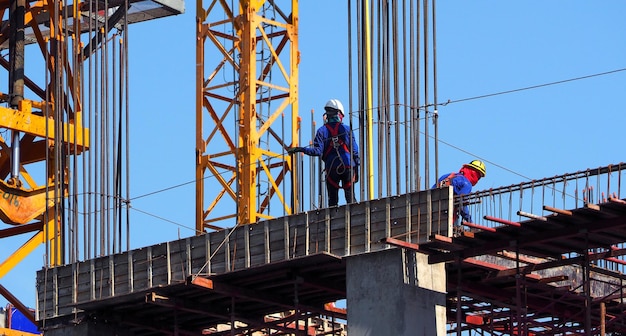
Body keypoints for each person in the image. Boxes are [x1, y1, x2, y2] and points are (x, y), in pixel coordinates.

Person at [288, 99, 360, 207]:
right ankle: (355, 218)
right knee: (351, 199)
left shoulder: (322, 131)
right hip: (348, 167)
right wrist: (357, 170)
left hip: (331, 170)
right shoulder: (346, 129)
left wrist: (301, 149)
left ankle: (332, 221)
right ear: (339, 114)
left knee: (332, 202)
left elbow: (317, 151)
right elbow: (355, 152)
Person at [433, 160, 486, 233]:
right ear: (474, 173)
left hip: (432, 212)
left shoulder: (448, 176)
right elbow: (461, 204)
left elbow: (432, 191)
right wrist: (470, 222)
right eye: (479, 176)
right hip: (445, 219)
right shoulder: (467, 184)